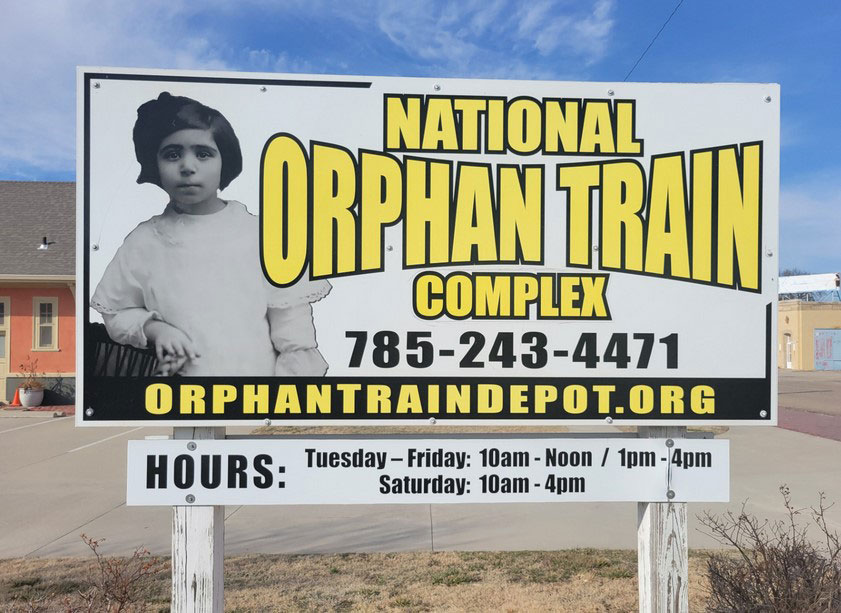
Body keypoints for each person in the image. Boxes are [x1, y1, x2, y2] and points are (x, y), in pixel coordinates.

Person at [91, 92, 330, 376]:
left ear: (224, 160)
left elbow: (294, 335)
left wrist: (277, 395)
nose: (187, 167)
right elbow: (116, 313)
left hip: (255, 391)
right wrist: (156, 329)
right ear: (154, 163)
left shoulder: (262, 236)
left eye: (203, 154)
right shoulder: (144, 242)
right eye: (172, 154)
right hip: (178, 391)